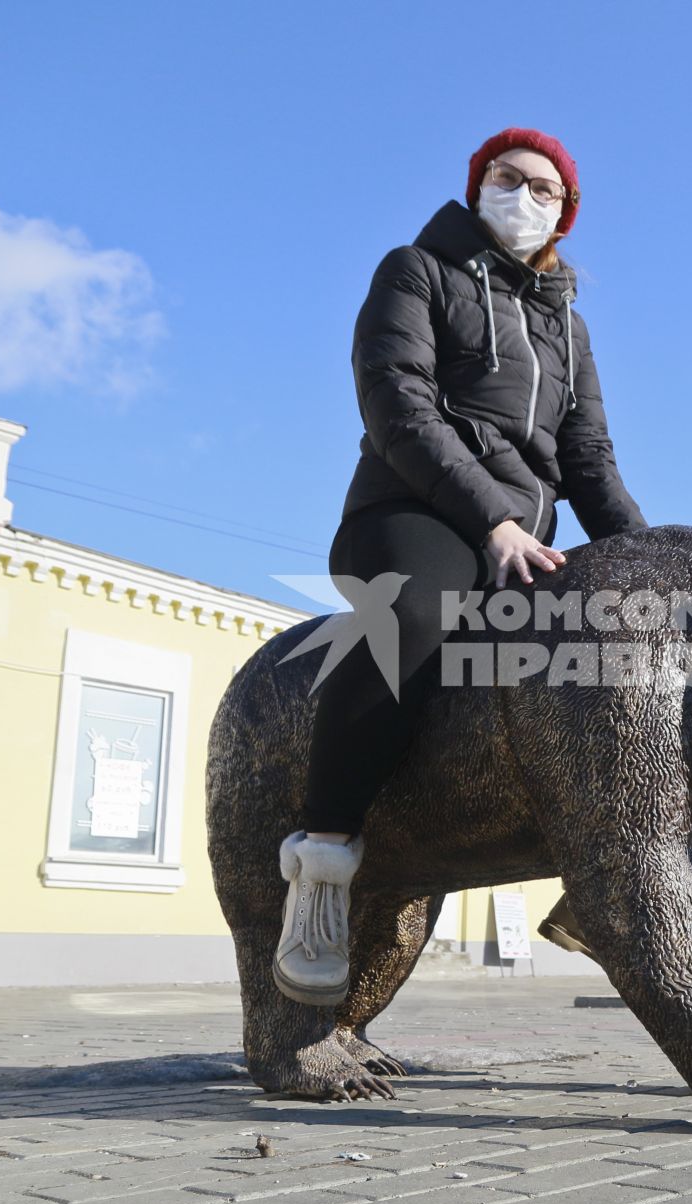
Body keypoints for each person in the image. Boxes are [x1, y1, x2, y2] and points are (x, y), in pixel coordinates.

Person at [273, 128, 649, 1006]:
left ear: (566, 215)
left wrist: (651, 566)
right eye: (509, 179)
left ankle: (602, 895)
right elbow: (396, 401)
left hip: (529, 534)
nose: (525, 197)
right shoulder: (416, 270)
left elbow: (588, 458)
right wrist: (494, 520)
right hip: (415, 511)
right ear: (479, 185)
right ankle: (321, 868)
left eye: (545, 190)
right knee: (410, 620)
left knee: (633, 653)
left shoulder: (567, 322)